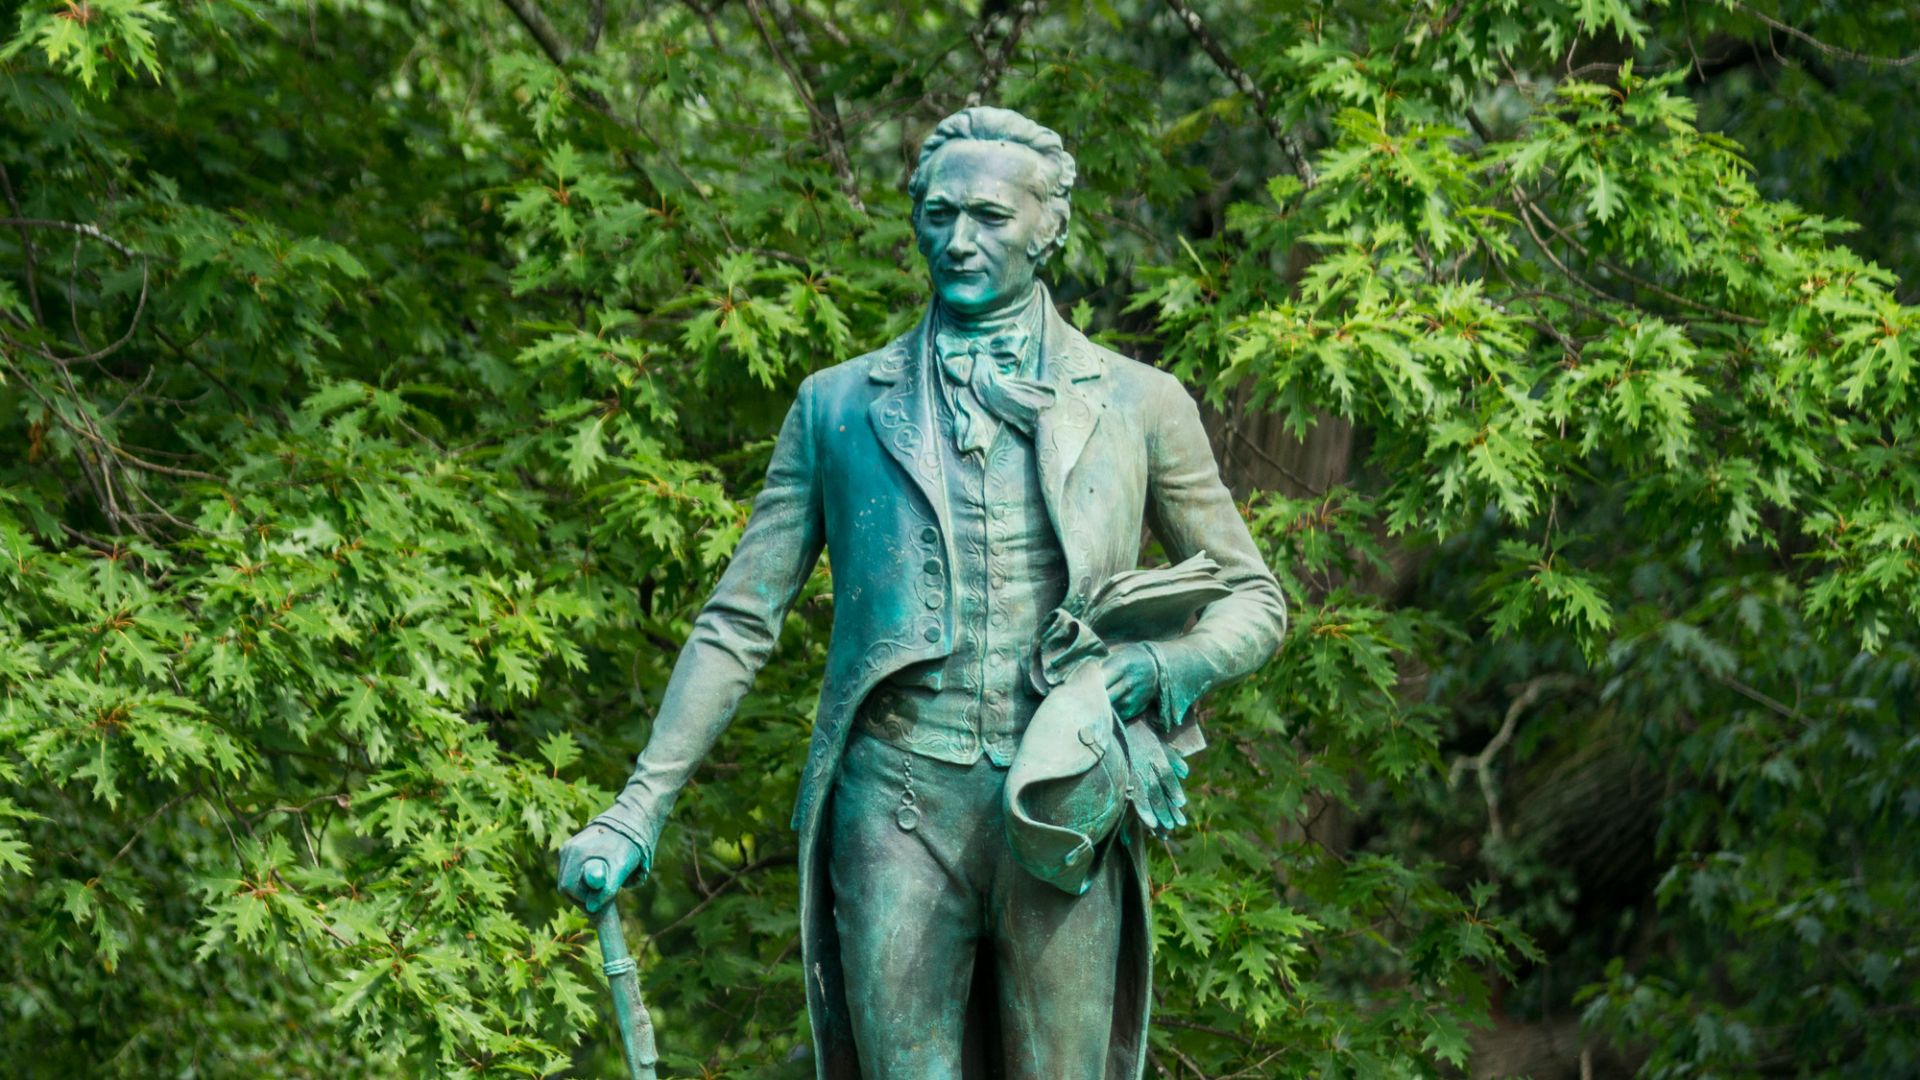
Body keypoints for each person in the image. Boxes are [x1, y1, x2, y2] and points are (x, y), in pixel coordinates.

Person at [558, 106, 1286, 1079]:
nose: (959, 239)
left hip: (1062, 802)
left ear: (1049, 228)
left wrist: (1156, 666)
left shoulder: (1139, 402)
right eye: (939, 214)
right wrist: (637, 809)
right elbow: (739, 621)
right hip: (893, 809)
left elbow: (1254, 599)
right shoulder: (835, 406)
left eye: (989, 216)